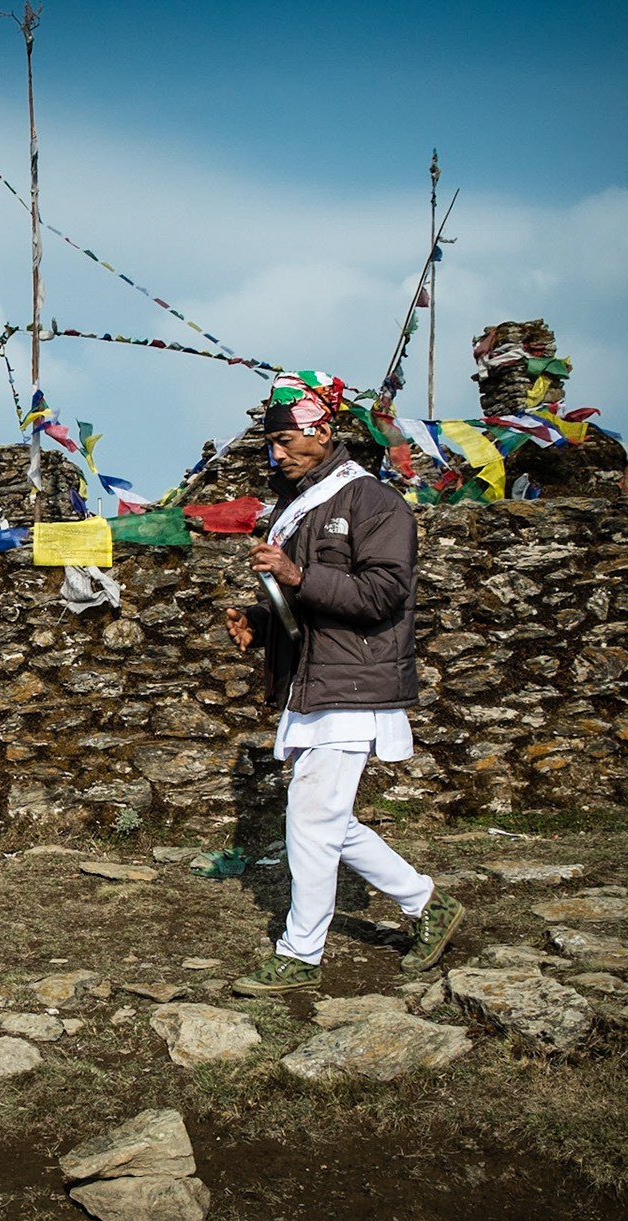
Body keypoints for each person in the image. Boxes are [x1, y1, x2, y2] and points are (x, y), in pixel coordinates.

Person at [223, 387, 463, 995]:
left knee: (310, 814)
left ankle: (300, 954)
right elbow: (306, 603)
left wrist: (297, 574)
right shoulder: (302, 507)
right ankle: (427, 904)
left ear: (324, 430)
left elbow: (383, 596)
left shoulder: (375, 502)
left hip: (354, 679)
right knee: (325, 816)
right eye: (271, 443)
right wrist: (261, 613)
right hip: (317, 679)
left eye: (286, 439)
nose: (276, 455)